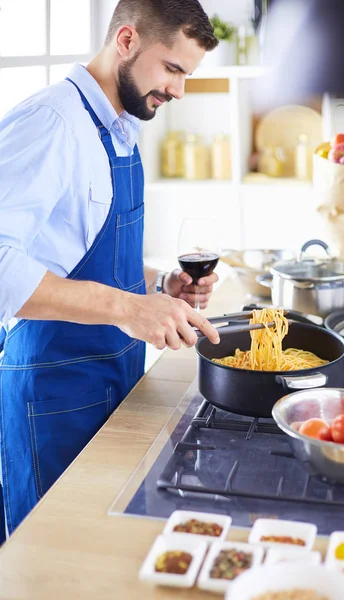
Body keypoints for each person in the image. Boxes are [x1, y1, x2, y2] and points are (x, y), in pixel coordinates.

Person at [0, 0, 220, 535]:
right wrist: (126, 307)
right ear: (126, 42)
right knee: (53, 561)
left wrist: (156, 286)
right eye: (172, 69)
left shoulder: (120, 127)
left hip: (113, 383)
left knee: (101, 554)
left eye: (187, 75)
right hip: (54, 390)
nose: (178, 90)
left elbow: (69, 251)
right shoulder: (54, 122)